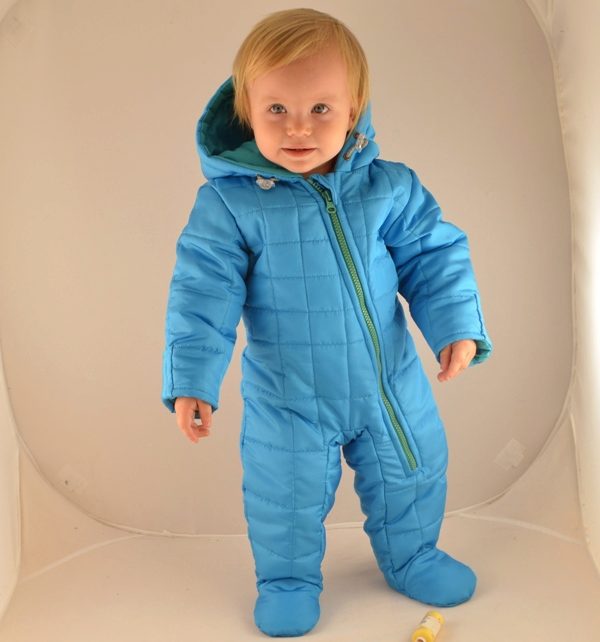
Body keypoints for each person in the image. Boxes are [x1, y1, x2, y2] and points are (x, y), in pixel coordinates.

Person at [162, 8, 492, 638]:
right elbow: (203, 291)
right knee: (282, 496)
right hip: (289, 396)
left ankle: (414, 555)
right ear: (247, 111)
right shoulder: (229, 205)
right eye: (276, 109)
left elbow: (432, 254)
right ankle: (287, 581)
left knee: (414, 469)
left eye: (320, 108)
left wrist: (456, 325)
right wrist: (192, 380)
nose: (298, 128)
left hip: (387, 384)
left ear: (353, 108)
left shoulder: (389, 188)